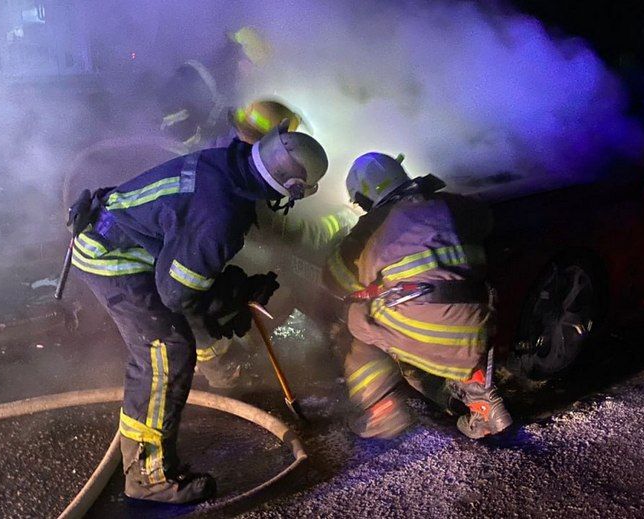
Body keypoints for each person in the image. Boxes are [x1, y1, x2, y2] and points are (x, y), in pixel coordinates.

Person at [71, 122, 328, 503]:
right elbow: (175, 292)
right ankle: (147, 476)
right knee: (166, 351)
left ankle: (220, 371)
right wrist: (227, 298)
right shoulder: (220, 214)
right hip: (114, 260)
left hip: (126, 240)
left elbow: (186, 254)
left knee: (190, 312)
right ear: (290, 188)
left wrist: (228, 290)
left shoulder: (228, 163)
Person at [324, 152, 512, 440]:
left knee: (356, 319)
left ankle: (380, 407)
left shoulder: (372, 225)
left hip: (424, 327)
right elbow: (485, 221)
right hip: (477, 325)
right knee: (447, 325)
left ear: (363, 198)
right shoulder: (451, 202)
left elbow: (335, 279)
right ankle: (485, 402)